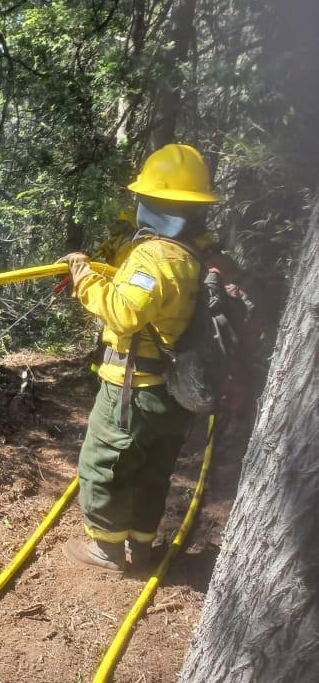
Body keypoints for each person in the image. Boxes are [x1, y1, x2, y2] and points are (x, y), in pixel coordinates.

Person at [60, 143, 219, 572]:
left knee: (103, 466)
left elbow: (124, 312)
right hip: (177, 393)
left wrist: (84, 276)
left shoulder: (154, 256)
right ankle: (142, 547)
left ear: (156, 202)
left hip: (134, 391)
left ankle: (106, 550)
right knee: (154, 469)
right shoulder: (199, 255)